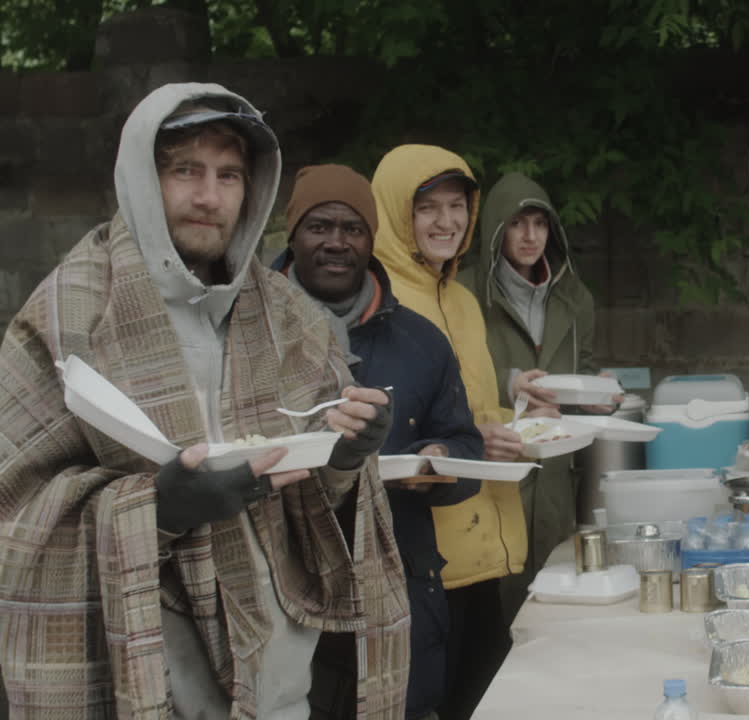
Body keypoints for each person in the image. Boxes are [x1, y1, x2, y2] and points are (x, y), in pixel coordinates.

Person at [0, 83, 407, 717]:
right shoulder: (69, 314)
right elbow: (13, 514)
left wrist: (348, 455)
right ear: (141, 175)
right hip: (152, 690)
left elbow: (312, 497)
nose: (207, 196)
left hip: (283, 686)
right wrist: (156, 510)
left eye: (229, 175)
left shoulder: (289, 317)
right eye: (184, 170)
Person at [274, 163, 486, 720]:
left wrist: (443, 463)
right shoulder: (250, 333)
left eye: (353, 228)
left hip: (403, 589)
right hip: (283, 588)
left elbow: (465, 443)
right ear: (292, 234)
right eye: (320, 226)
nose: (337, 242)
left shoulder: (421, 341)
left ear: (373, 239)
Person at [370, 146, 530, 720]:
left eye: (457, 206)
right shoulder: (377, 302)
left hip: (485, 542)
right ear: (393, 213)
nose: (446, 222)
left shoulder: (462, 299)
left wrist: (522, 423)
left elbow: (472, 414)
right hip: (423, 559)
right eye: (427, 208)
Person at [459, 171, 616, 622]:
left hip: (554, 473)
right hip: (493, 470)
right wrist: (510, 384)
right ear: (495, 229)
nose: (531, 237)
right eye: (517, 223)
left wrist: (595, 393)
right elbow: (451, 375)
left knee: (553, 599)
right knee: (493, 610)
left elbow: (577, 372)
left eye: (540, 224)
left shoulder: (574, 299)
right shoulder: (466, 294)